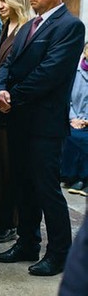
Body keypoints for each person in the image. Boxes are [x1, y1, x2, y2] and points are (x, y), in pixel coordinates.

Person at [0, 0, 85, 277]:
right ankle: (27, 242)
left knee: (47, 189)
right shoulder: (30, 25)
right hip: (19, 119)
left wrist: (13, 96)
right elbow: (8, 62)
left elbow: (50, 73)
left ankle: (59, 253)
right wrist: (2, 89)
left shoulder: (70, 27)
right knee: (23, 185)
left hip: (44, 125)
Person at [0, 0, 33, 243]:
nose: (0, 5)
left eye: (4, 0)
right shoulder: (3, 26)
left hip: (13, 106)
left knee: (10, 167)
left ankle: (9, 221)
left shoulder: (26, 27)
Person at [62, 43, 88, 195]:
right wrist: (73, 118)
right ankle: (70, 176)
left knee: (84, 139)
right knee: (71, 136)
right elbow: (67, 97)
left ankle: (83, 179)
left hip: (86, 122)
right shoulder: (75, 71)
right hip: (73, 119)